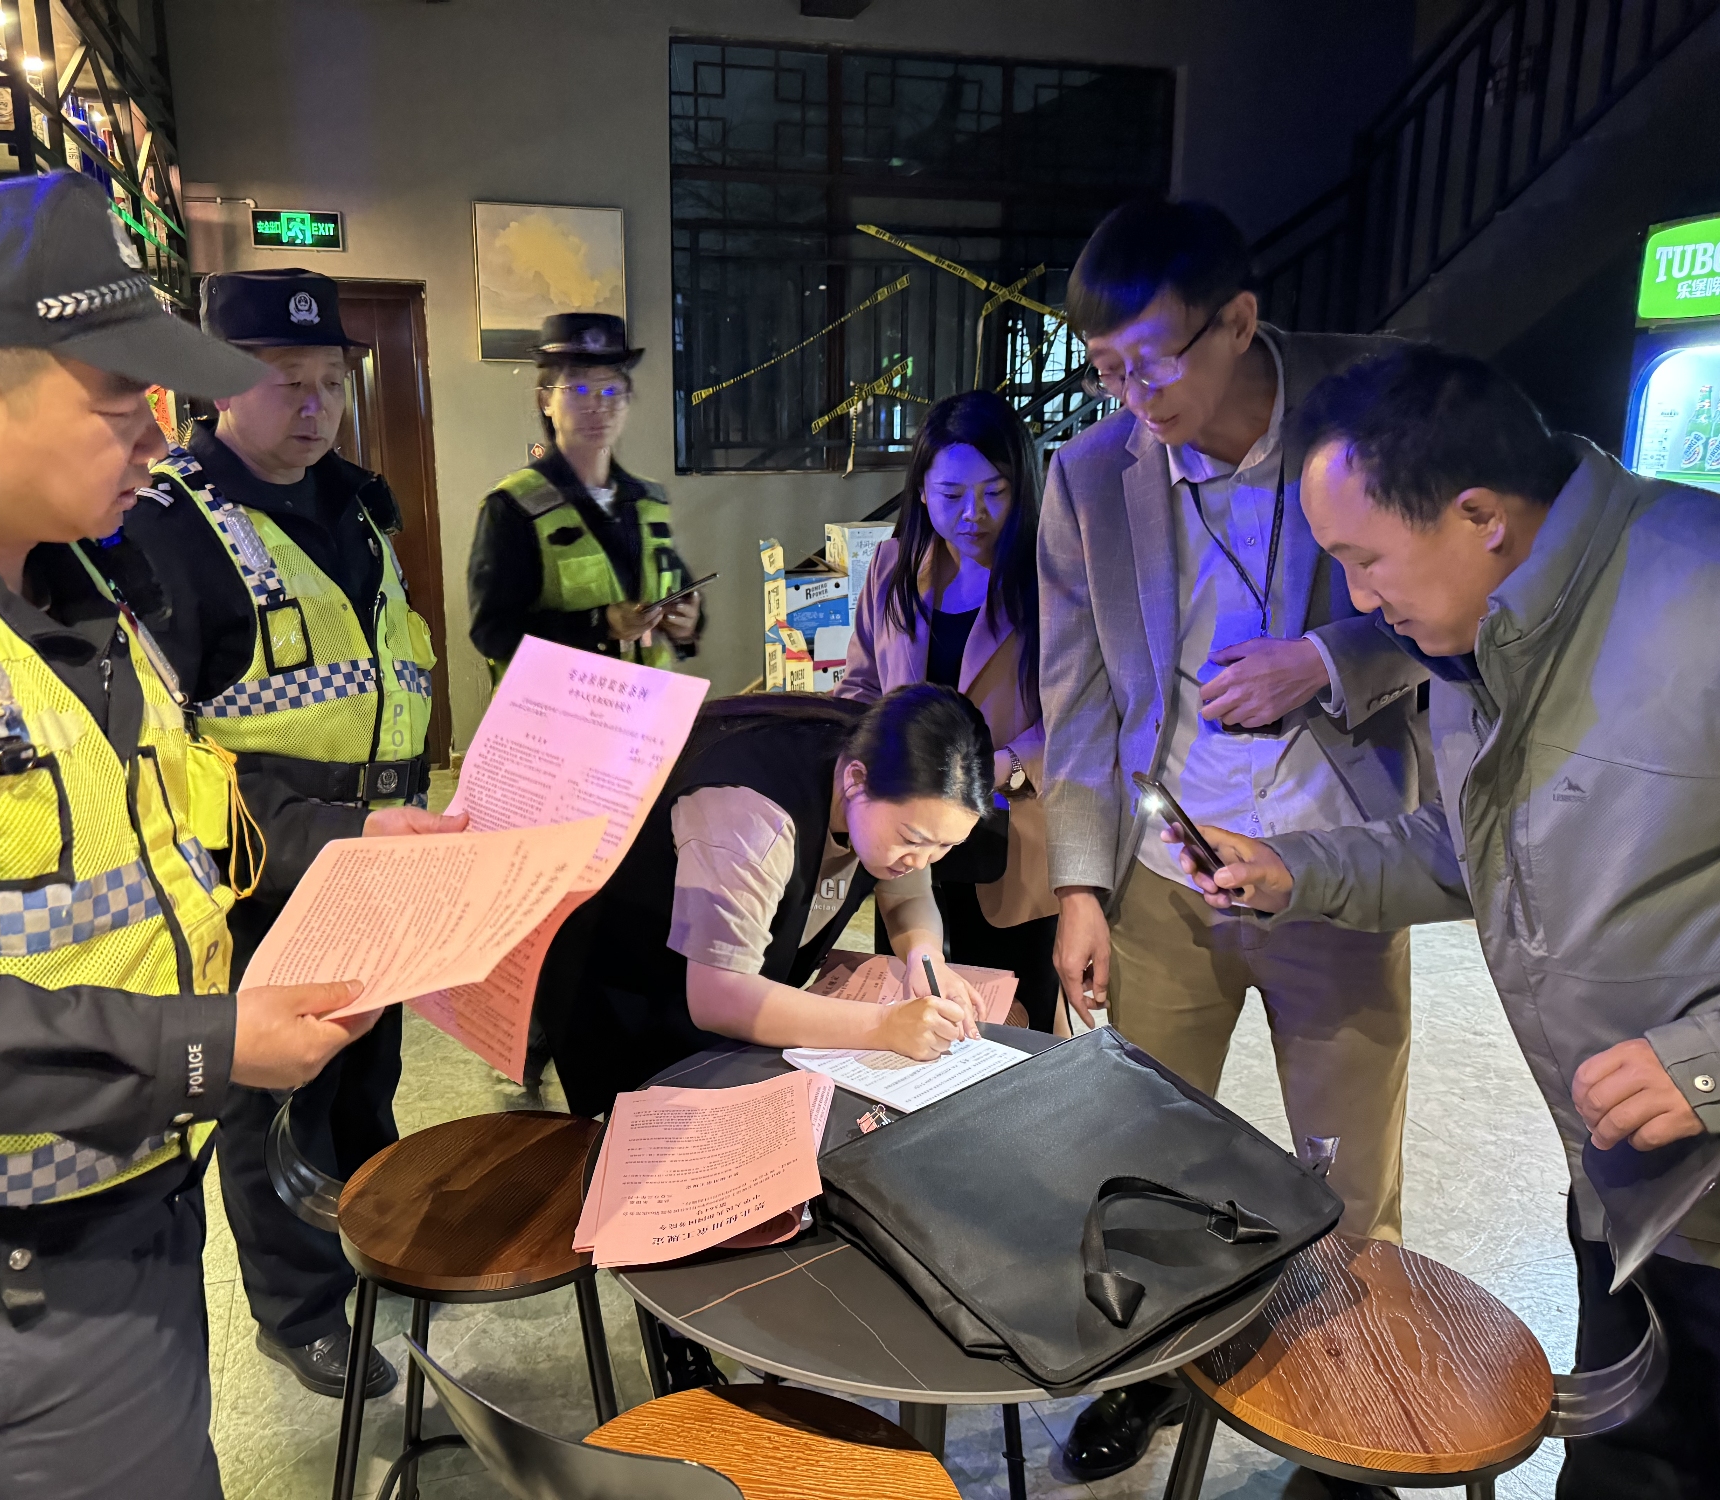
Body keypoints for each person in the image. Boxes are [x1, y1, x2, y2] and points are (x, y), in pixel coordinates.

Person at [0, 172, 445, 1498]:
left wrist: (363, 834)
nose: (158, 437)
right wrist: (214, 1046)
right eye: (122, 401)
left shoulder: (61, 573)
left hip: (114, 1189)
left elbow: (188, 804)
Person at [1172, 345, 1720, 1500]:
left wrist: (1713, 1063)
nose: (1355, 600)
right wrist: (1295, 871)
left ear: (1478, 516)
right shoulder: (1476, 633)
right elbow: (1475, 847)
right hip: (1624, 1185)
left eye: (1361, 559)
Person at [1036, 197, 1428, 1487]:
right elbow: (1074, 693)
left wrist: (1326, 656)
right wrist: (1079, 885)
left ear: (1239, 321)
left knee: (1343, 1168)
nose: (1130, 397)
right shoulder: (1091, 475)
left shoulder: (1371, 408)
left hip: (1331, 865)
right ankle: (1154, 1367)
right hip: (1165, 872)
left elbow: (1463, 592)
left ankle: (1347, 1414)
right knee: (1147, 1150)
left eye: (1151, 362)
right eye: (1103, 371)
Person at [119, 268, 438, 1401]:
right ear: (215, 385)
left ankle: (375, 1245)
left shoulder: (358, 505)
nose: (314, 406)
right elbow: (168, 756)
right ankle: (299, 1312)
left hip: (379, 855)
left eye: (330, 382)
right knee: (273, 1107)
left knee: (364, 1077)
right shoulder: (167, 527)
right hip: (264, 870)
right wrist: (339, 829)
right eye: (282, 380)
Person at [539, 685, 996, 1122]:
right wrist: (883, 1025)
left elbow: (907, 896)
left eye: (945, 846)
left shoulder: (888, 758)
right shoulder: (750, 817)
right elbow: (719, 996)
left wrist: (925, 957)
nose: (921, 861)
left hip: (728, 985)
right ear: (856, 779)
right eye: (911, 839)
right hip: (632, 979)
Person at [837, 390, 1060, 1033]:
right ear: (921, 490)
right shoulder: (894, 568)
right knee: (915, 1006)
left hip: (1009, 838)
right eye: (951, 494)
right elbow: (861, 689)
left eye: (995, 492)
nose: (973, 514)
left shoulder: (1052, 577)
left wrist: (1000, 768)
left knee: (1010, 1024)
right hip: (905, 840)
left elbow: (1080, 714)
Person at [466, 312, 702, 678]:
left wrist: (687, 623)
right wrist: (598, 624)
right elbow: (492, 633)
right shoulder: (514, 507)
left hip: (645, 706)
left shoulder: (649, 501)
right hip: (557, 708)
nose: (597, 406)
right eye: (577, 390)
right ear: (545, 400)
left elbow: (677, 593)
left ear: (627, 400)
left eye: (610, 391)